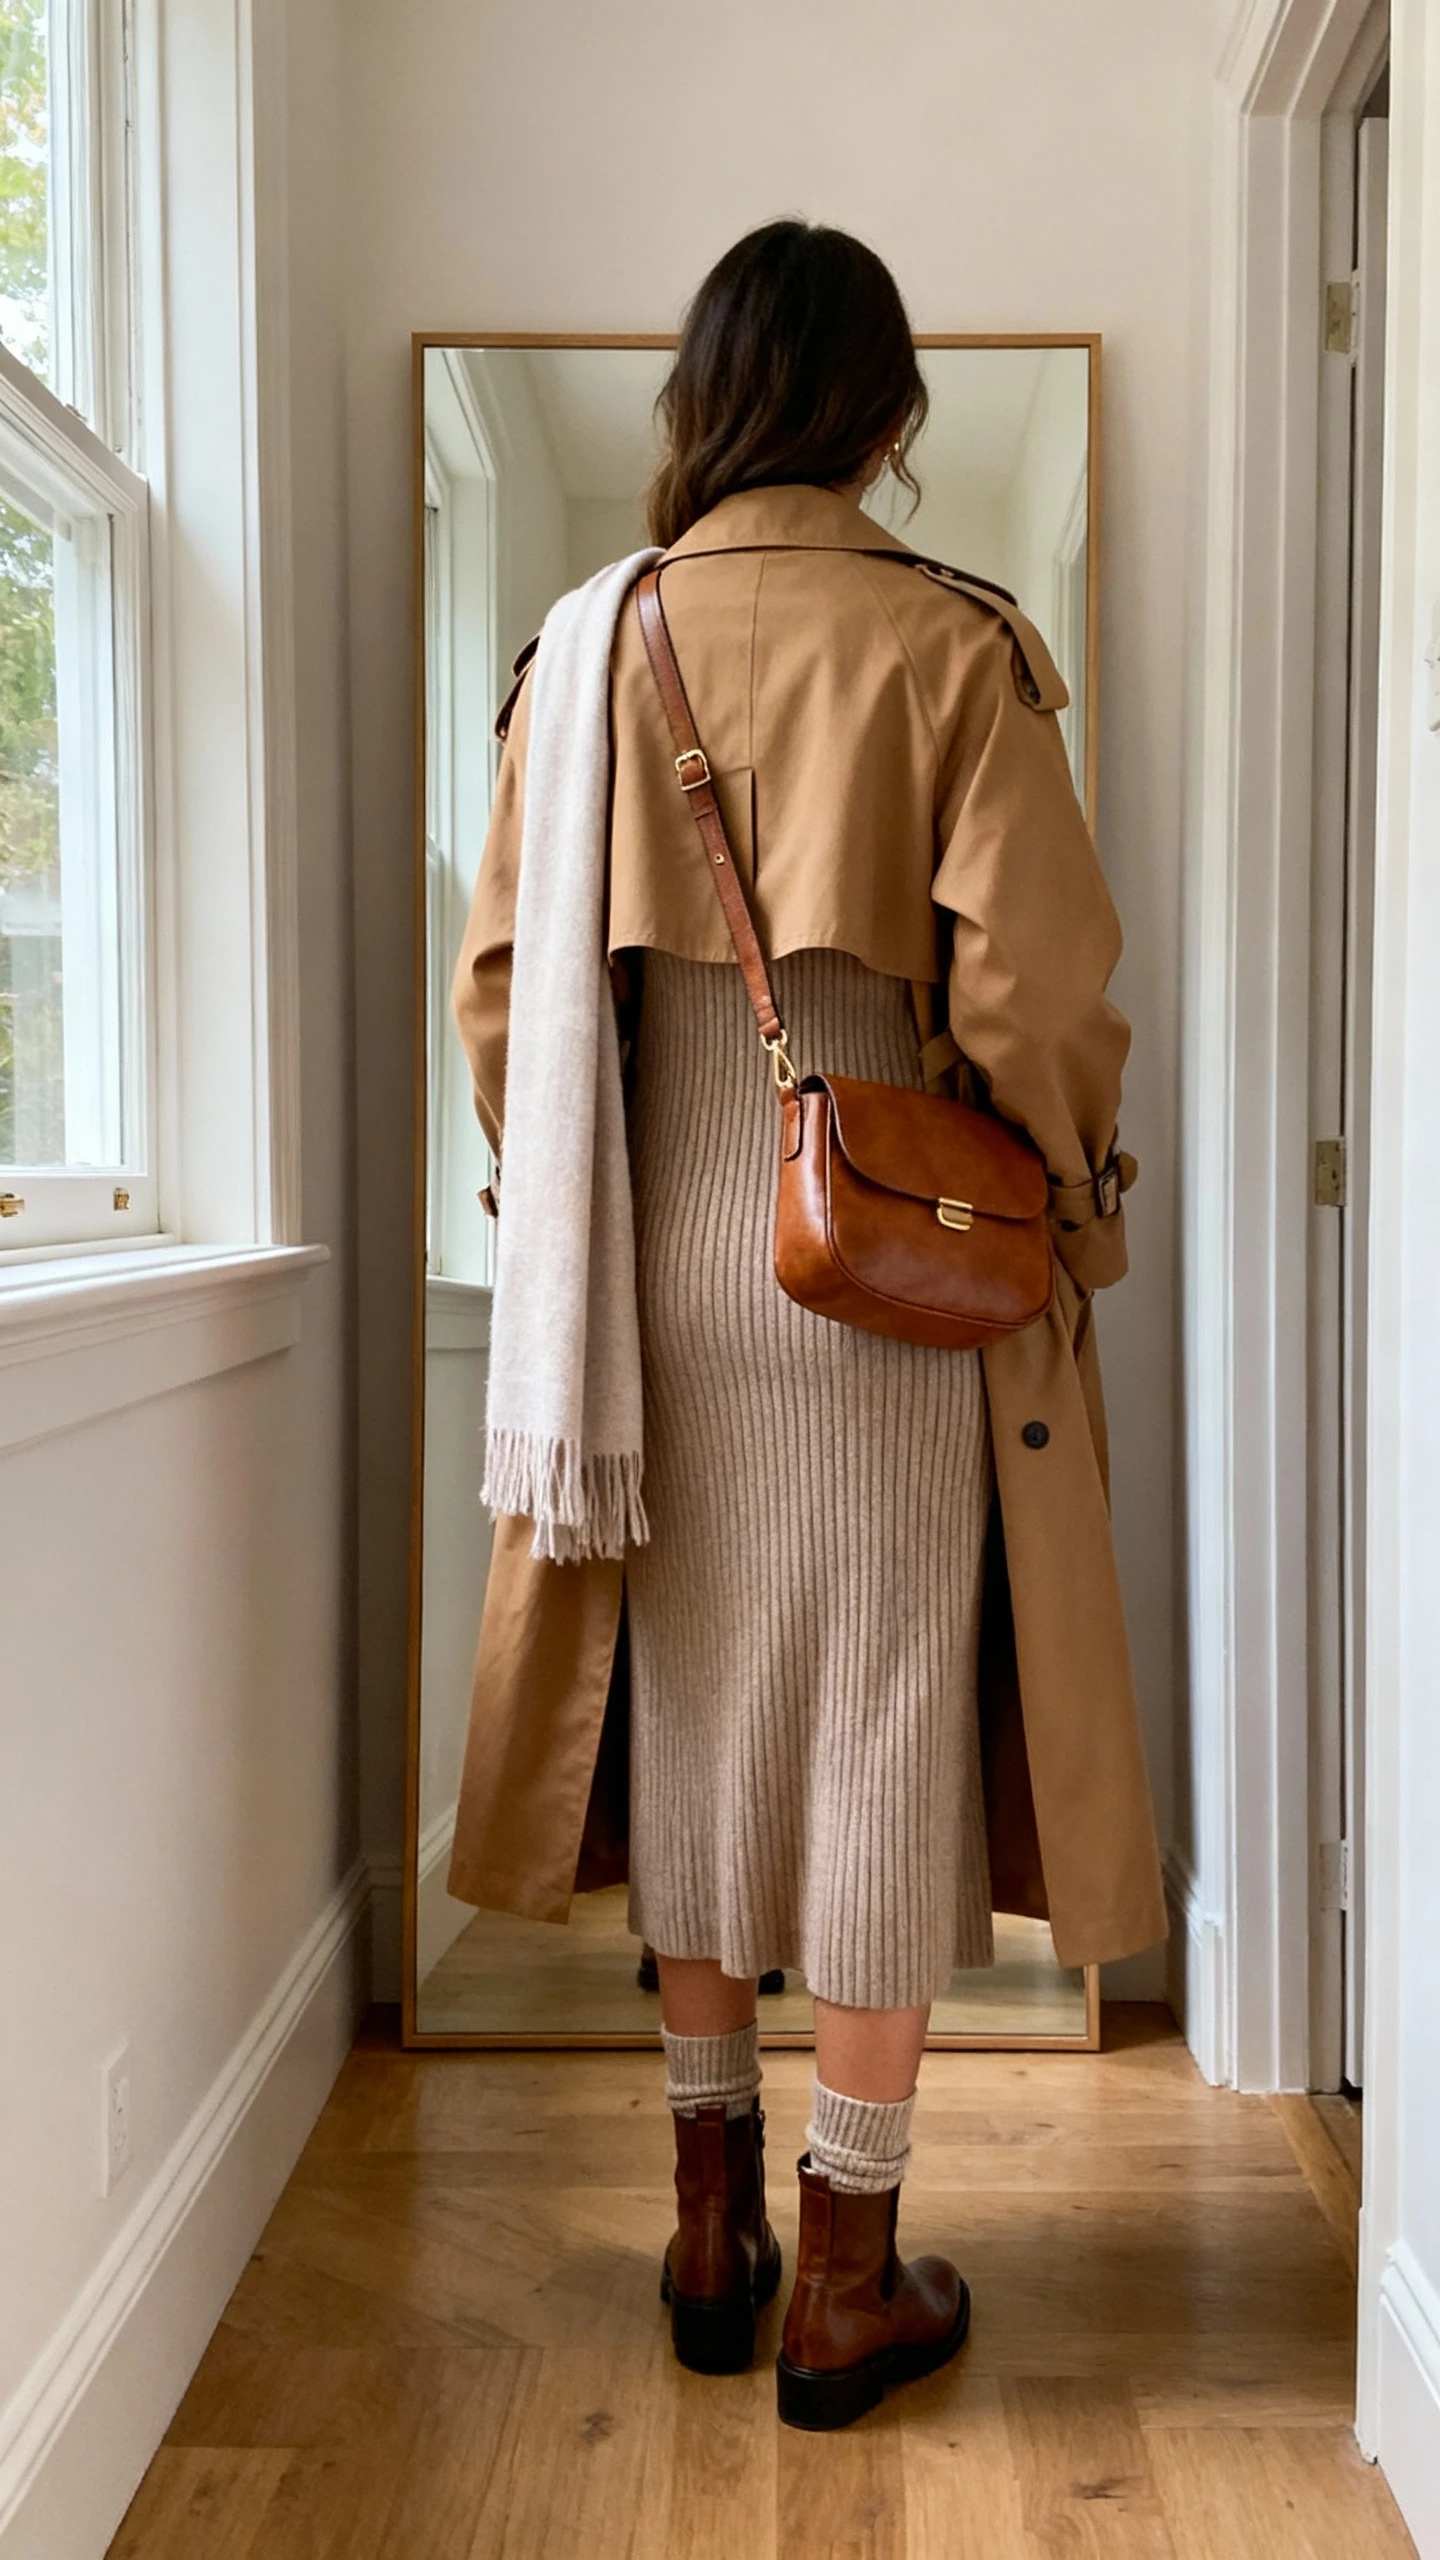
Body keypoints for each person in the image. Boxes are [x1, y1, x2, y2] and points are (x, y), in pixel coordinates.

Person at [447, 219, 1165, 2433]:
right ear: (886, 411)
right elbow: (1037, 1002)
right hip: (873, 1276)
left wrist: (587, 1187)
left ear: (700, 398)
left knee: (699, 1722)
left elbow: (496, 1001)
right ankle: (845, 2276)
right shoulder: (957, 647)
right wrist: (1060, 1192)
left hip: (642, 1296)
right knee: (872, 1727)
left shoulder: (585, 647)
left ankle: (705, 2223)